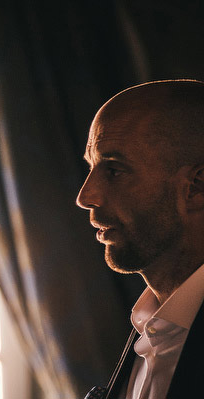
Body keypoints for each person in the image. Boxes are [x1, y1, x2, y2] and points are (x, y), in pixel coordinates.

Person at [77, 80, 204, 398]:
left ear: (197, 187)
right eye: (92, 168)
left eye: (114, 171)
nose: (85, 196)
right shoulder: (147, 326)